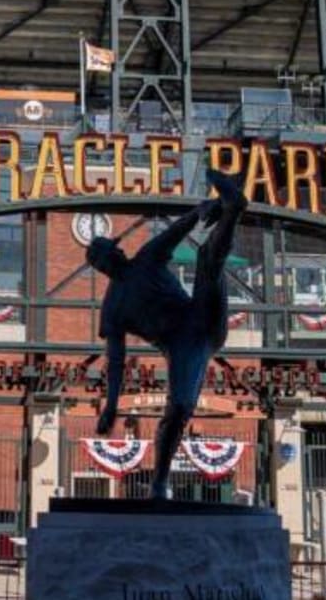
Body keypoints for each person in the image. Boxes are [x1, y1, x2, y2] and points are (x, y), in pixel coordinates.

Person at [91, 168, 248, 500]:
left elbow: (177, 230)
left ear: (116, 253)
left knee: (208, 257)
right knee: (177, 408)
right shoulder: (113, 309)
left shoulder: (146, 258)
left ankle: (232, 209)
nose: (112, 258)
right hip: (183, 345)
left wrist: (200, 211)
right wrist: (110, 406)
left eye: (110, 252)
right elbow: (115, 362)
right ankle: (160, 482)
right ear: (103, 266)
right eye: (105, 257)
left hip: (200, 314)